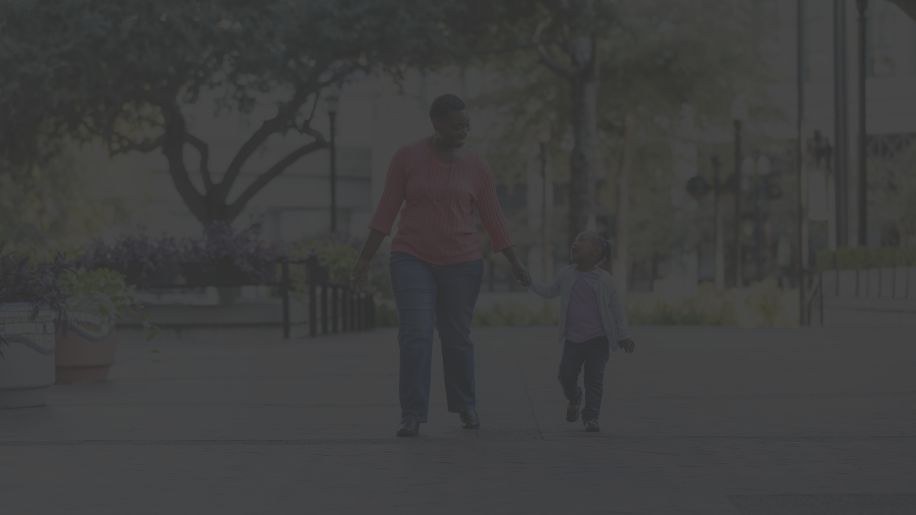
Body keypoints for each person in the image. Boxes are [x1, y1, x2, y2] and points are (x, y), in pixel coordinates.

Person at [350, 93, 531, 438]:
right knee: (416, 335)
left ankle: (465, 404)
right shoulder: (407, 158)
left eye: (467, 124)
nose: (464, 130)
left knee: (456, 337)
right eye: (456, 124)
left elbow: (494, 219)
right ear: (436, 123)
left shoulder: (477, 166)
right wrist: (363, 261)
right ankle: (412, 414)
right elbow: (385, 213)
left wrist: (515, 262)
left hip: (462, 263)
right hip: (411, 257)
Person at [528, 231, 635, 432]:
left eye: (581, 242)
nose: (574, 244)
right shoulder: (566, 274)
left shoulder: (605, 280)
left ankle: (591, 417)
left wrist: (624, 335)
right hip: (573, 340)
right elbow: (549, 291)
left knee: (594, 380)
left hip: (598, 340)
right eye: (574, 240)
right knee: (565, 376)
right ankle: (575, 397)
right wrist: (530, 283)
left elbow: (617, 309)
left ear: (595, 252)